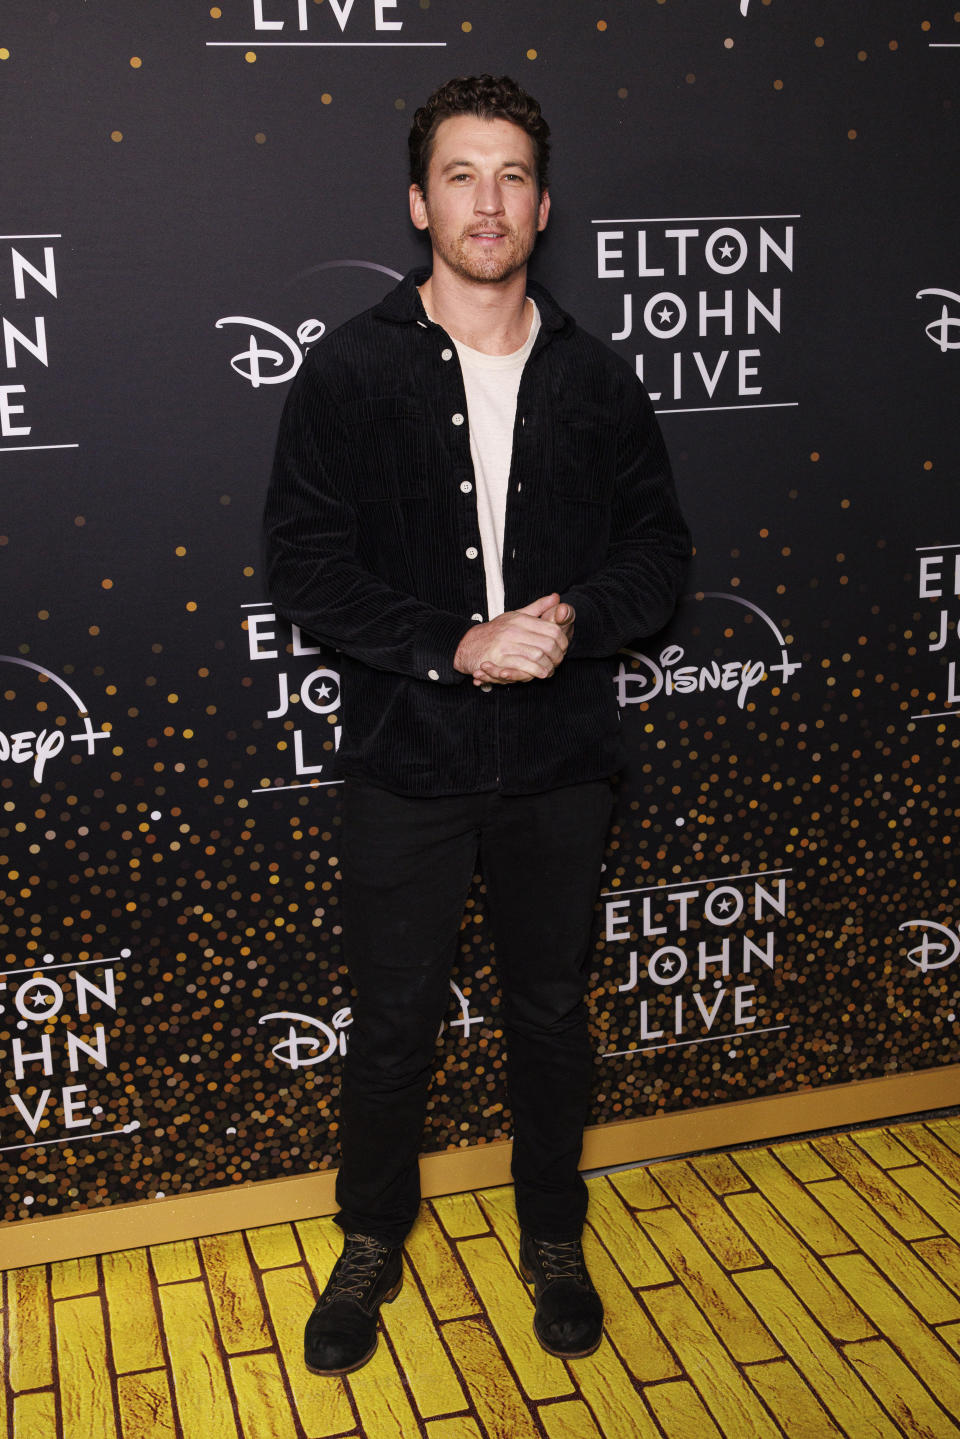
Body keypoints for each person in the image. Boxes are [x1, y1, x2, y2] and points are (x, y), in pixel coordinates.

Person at [264, 74, 691, 1377]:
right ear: (419, 201)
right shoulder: (348, 370)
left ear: (544, 205)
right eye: (461, 173)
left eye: (510, 174)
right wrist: (455, 645)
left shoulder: (600, 380)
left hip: (562, 760)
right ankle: (370, 1239)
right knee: (393, 1020)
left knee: (551, 1013)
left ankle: (552, 1234)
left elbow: (660, 555)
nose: (487, 199)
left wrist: (574, 624)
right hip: (411, 759)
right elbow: (305, 565)